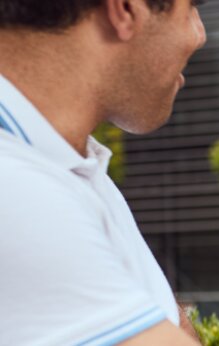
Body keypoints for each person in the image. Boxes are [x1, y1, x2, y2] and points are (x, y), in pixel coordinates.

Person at [0, 0, 206, 344]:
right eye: (192, 8)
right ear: (125, 9)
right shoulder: (17, 190)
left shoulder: (71, 167)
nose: (199, 35)